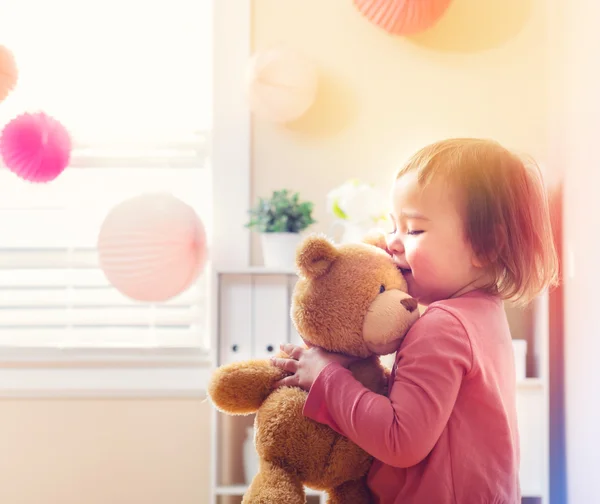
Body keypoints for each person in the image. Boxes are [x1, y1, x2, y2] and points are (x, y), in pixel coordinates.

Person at [270, 138, 558, 503]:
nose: (393, 242)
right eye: (393, 226)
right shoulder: (485, 314)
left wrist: (327, 377)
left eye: (415, 230)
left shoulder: (441, 326)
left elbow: (399, 440)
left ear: (485, 246)